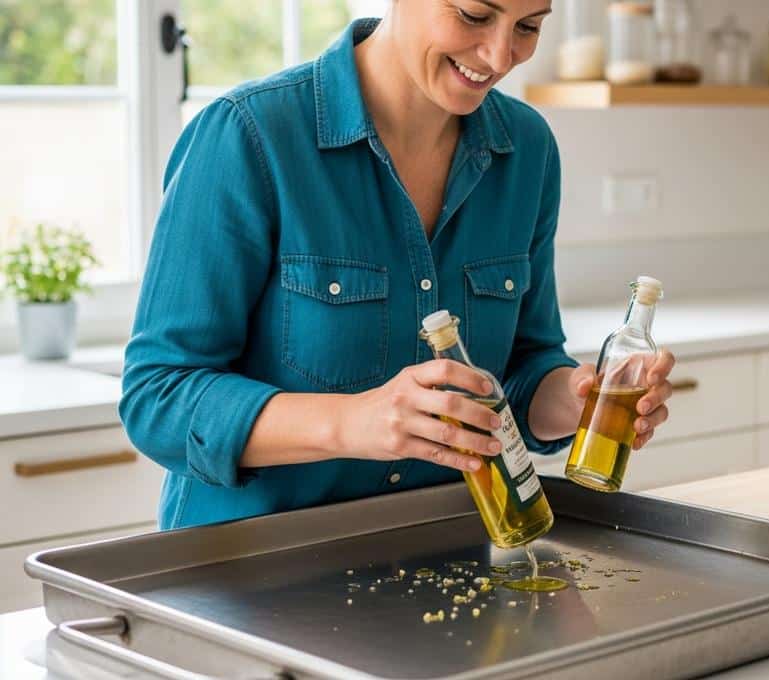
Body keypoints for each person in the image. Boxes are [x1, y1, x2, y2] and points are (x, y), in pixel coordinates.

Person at [120, 1, 676, 530]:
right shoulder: (249, 135)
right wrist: (352, 422)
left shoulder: (528, 150)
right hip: (246, 566)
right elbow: (158, 398)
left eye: (528, 27)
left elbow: (524, 367)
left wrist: (579, 400)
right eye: (474, 15)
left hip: (437, 556)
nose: (499, 55)